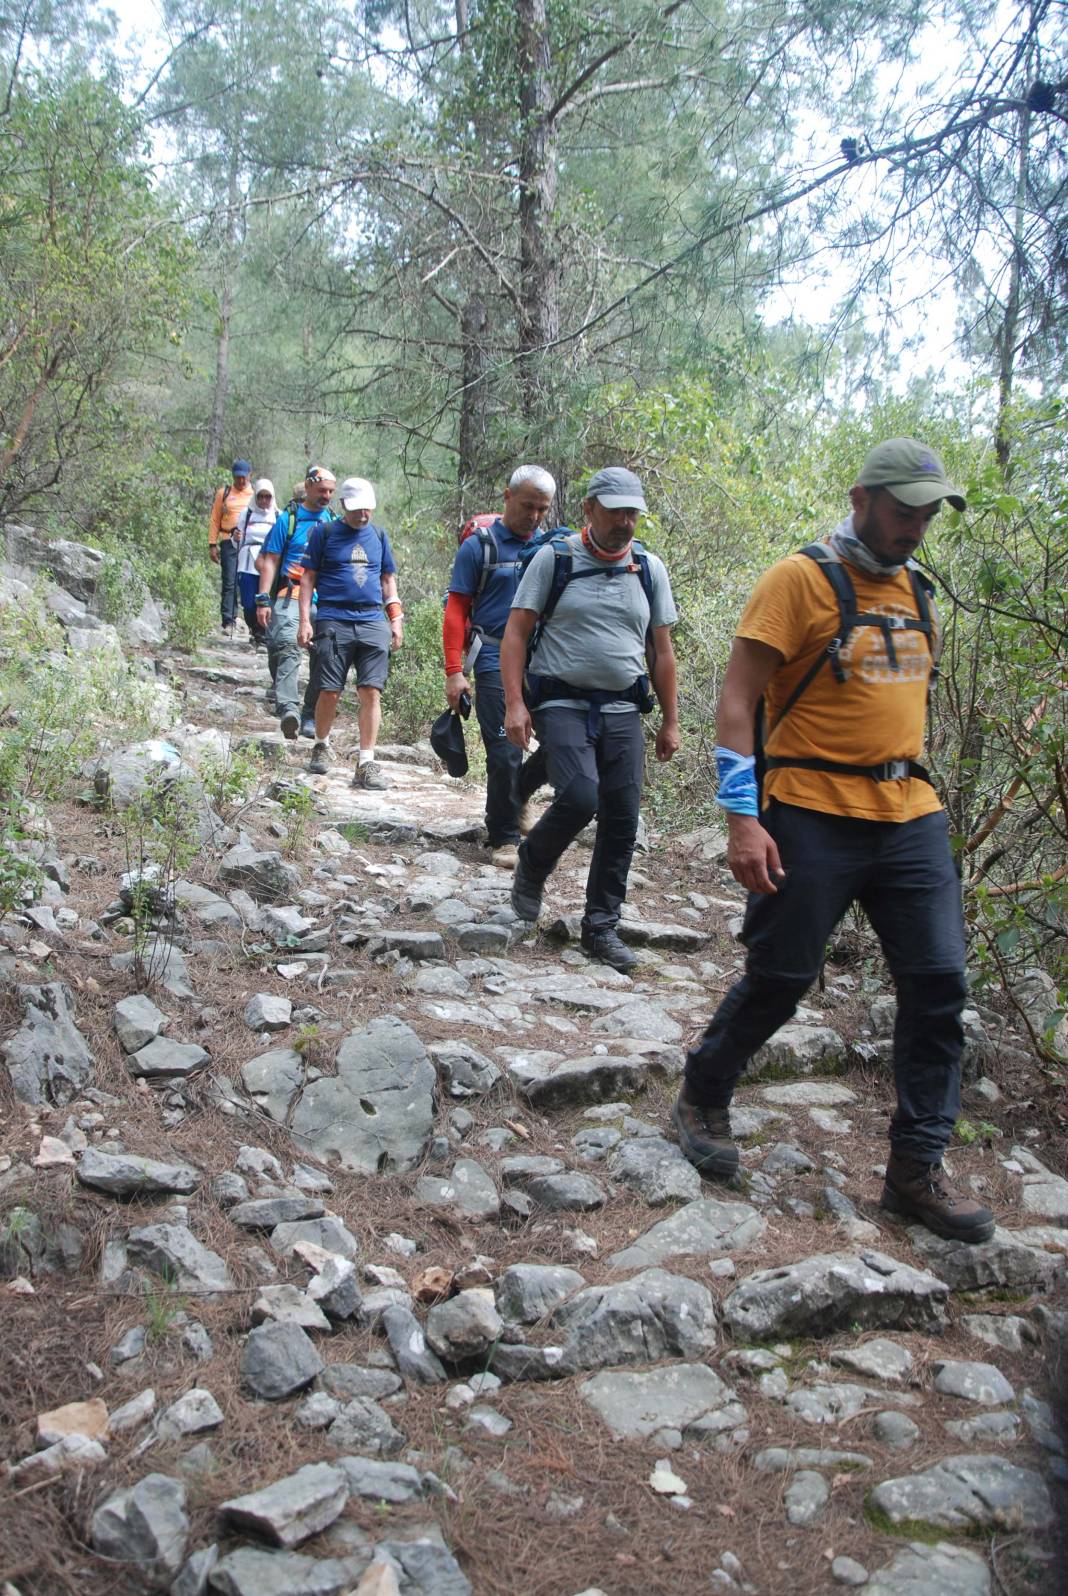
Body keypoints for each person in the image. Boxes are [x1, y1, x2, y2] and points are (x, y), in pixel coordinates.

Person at [672, 437, 995, 1246]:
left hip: (910, 810)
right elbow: (739, 700)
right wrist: (742, 816)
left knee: (939, 985)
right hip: (811, 807)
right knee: (782, 975)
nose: (916, 527)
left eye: (928, 515)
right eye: (904, 512)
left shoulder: (919, 590)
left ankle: (916, 1167)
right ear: (861, 500)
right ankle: (704, 1089)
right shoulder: (797, 581)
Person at [500, 466, 680, 971]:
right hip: (561, 702)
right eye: (616, 511)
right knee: (581, 795)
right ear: (589, 509)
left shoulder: (649, 569)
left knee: (622, 816)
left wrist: (671, 719)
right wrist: (515, 704)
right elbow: (515, 635)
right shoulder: (554, 559)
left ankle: (601, 926)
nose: (625, 522)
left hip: (623, 707)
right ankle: (533, 862)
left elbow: (661, 652)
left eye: (633, 513)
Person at [443, 465, 556, 867]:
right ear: (507, 498)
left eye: (542, 509)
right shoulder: (479, 547)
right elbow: (456, 609)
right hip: (491, 655)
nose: (534, 516)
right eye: (527, 506)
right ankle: (504, 835)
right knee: (506, 749)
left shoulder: (550, 549)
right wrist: (454, 671)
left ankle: (519, 792)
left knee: (563, 741)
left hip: (542, 660)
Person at [298, 476, 403, 789]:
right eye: (357, 509)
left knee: (371, 691)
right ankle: (321, 744)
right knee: (329, 689)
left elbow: (387, 580)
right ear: (343, 505)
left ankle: (366, 762)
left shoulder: (379, 536)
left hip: (372, 620)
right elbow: (308, 578)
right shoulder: (324, 533)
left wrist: (395, 619)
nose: (363, 514)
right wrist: (305, 620)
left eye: (367, 508)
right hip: (333, 618)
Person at [255, 466, 335, 739]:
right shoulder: (288, 519)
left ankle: (310, 713)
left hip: (324, 599)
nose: (326, 496)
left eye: (331, 492)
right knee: (287, 645)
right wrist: (262, 599)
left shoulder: (334, 522)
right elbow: (270, 560)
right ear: (308, 487)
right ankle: (289, 708)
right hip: (291, 592)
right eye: (322, 490)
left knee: (323, 656)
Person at [208, 459, 254, 635]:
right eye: (238, 477)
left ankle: (254, 624)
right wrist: (212, 544)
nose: (241, 481)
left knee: (249, 581)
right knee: (229, 581)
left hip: (249, 543)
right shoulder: (224, 493)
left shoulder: (256, 494)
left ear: (250, 476)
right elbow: (215, 519)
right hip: (228, 540)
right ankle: (228, 620)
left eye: (244, 477)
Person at [236, 478, 277, 644]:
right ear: (256, 497)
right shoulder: (246, 515)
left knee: (266, 598)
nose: (264, 500)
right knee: (248, 602)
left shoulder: (278, 516)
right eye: (261, 496)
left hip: (269, 561)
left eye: (268, 496)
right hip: (247, 561)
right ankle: (254, 628)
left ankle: (262, 634)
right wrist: (235, 538)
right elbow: (237, 541)